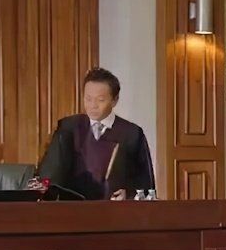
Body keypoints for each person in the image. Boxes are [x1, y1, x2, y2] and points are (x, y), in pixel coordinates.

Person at [35, 68, 156, 200]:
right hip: (74, 207)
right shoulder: (68, 128)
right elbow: (50, 173)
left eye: (100, 100)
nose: (93, 105)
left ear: (115, 100)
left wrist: (129, 194)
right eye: (88, 99)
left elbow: (146, 186)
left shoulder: (131, 133)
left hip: (115, 208)